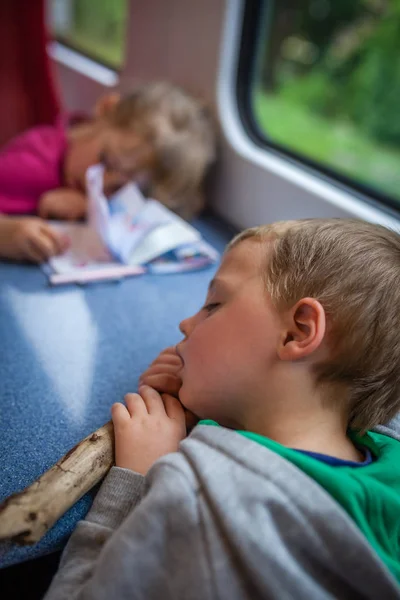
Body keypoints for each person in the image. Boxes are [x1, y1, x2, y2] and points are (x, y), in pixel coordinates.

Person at [45, 219, 400, 599]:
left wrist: (141, 481)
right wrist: (212, 401)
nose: (185, 323)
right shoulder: (385, 456)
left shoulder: (197, 504)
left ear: (297, 331)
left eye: (213, 306)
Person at [0, 82, 216, 263]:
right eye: (105, 161)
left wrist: (87, 206)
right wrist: (6, 234)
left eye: (119, 189)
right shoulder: (30, 164)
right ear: (106, 109)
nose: (100, 184)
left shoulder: (82, 170)